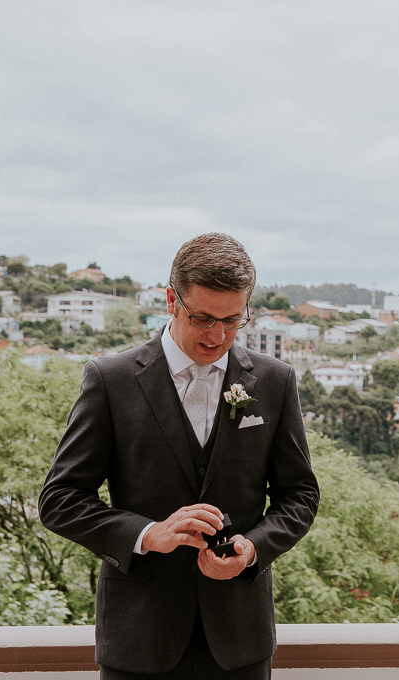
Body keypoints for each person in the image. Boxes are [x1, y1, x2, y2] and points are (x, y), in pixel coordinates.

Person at [40, 233, 319, 679]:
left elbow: (300, 495)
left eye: (232, 321)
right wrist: (148, 534)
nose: (217, 335)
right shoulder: (110, 380)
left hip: (239, 640)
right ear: (171, 299)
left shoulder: (275, 381)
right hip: (138, 638)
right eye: (203, 318)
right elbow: (59, 500)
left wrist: (251, 549)